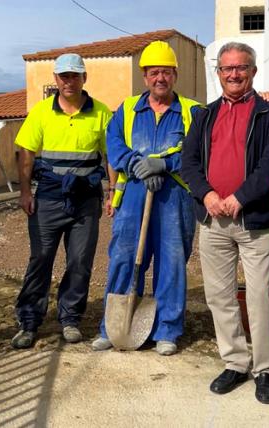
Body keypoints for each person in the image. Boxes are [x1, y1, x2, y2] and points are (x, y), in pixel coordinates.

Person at [182, 42, 269, 404]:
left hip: (252, 218)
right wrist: (208, 196)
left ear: (253, 72)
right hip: (212, 221)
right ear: (218, 73)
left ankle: (265, 369)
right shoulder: (204, 115)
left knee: (260, 296)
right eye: (227, 68)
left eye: (241, 67)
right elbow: (189, 163)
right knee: (219, 296)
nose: (234, 74)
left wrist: (239, 197)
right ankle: (235, 362)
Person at [91, 41, 201, 356]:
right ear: (145, 76)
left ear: (175, 75)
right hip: (134, 195)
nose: (160, 79)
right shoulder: (127, 109)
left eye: (166, 73)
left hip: (174, 195)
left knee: (172, 261)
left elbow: (197, 152)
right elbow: (113, 144)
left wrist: (164, 164)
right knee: (124, 259)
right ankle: (113, 328)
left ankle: (167, 329)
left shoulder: (192, 111)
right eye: (154, 73)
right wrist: (137, 165)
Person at [11, 53, 113, 349]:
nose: (69, 81)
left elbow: (111, 157)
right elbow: (26, 153)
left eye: (75, 75)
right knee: (40, 259)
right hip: (49, 199)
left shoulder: (102, 113)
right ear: (55, 80)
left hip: (85, 201)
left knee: (80, 261)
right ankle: (29, 321)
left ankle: (70, 318)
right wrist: (26, 192)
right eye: (64, 76)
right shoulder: (41, 112)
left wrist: (112, 191)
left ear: (85, 78)